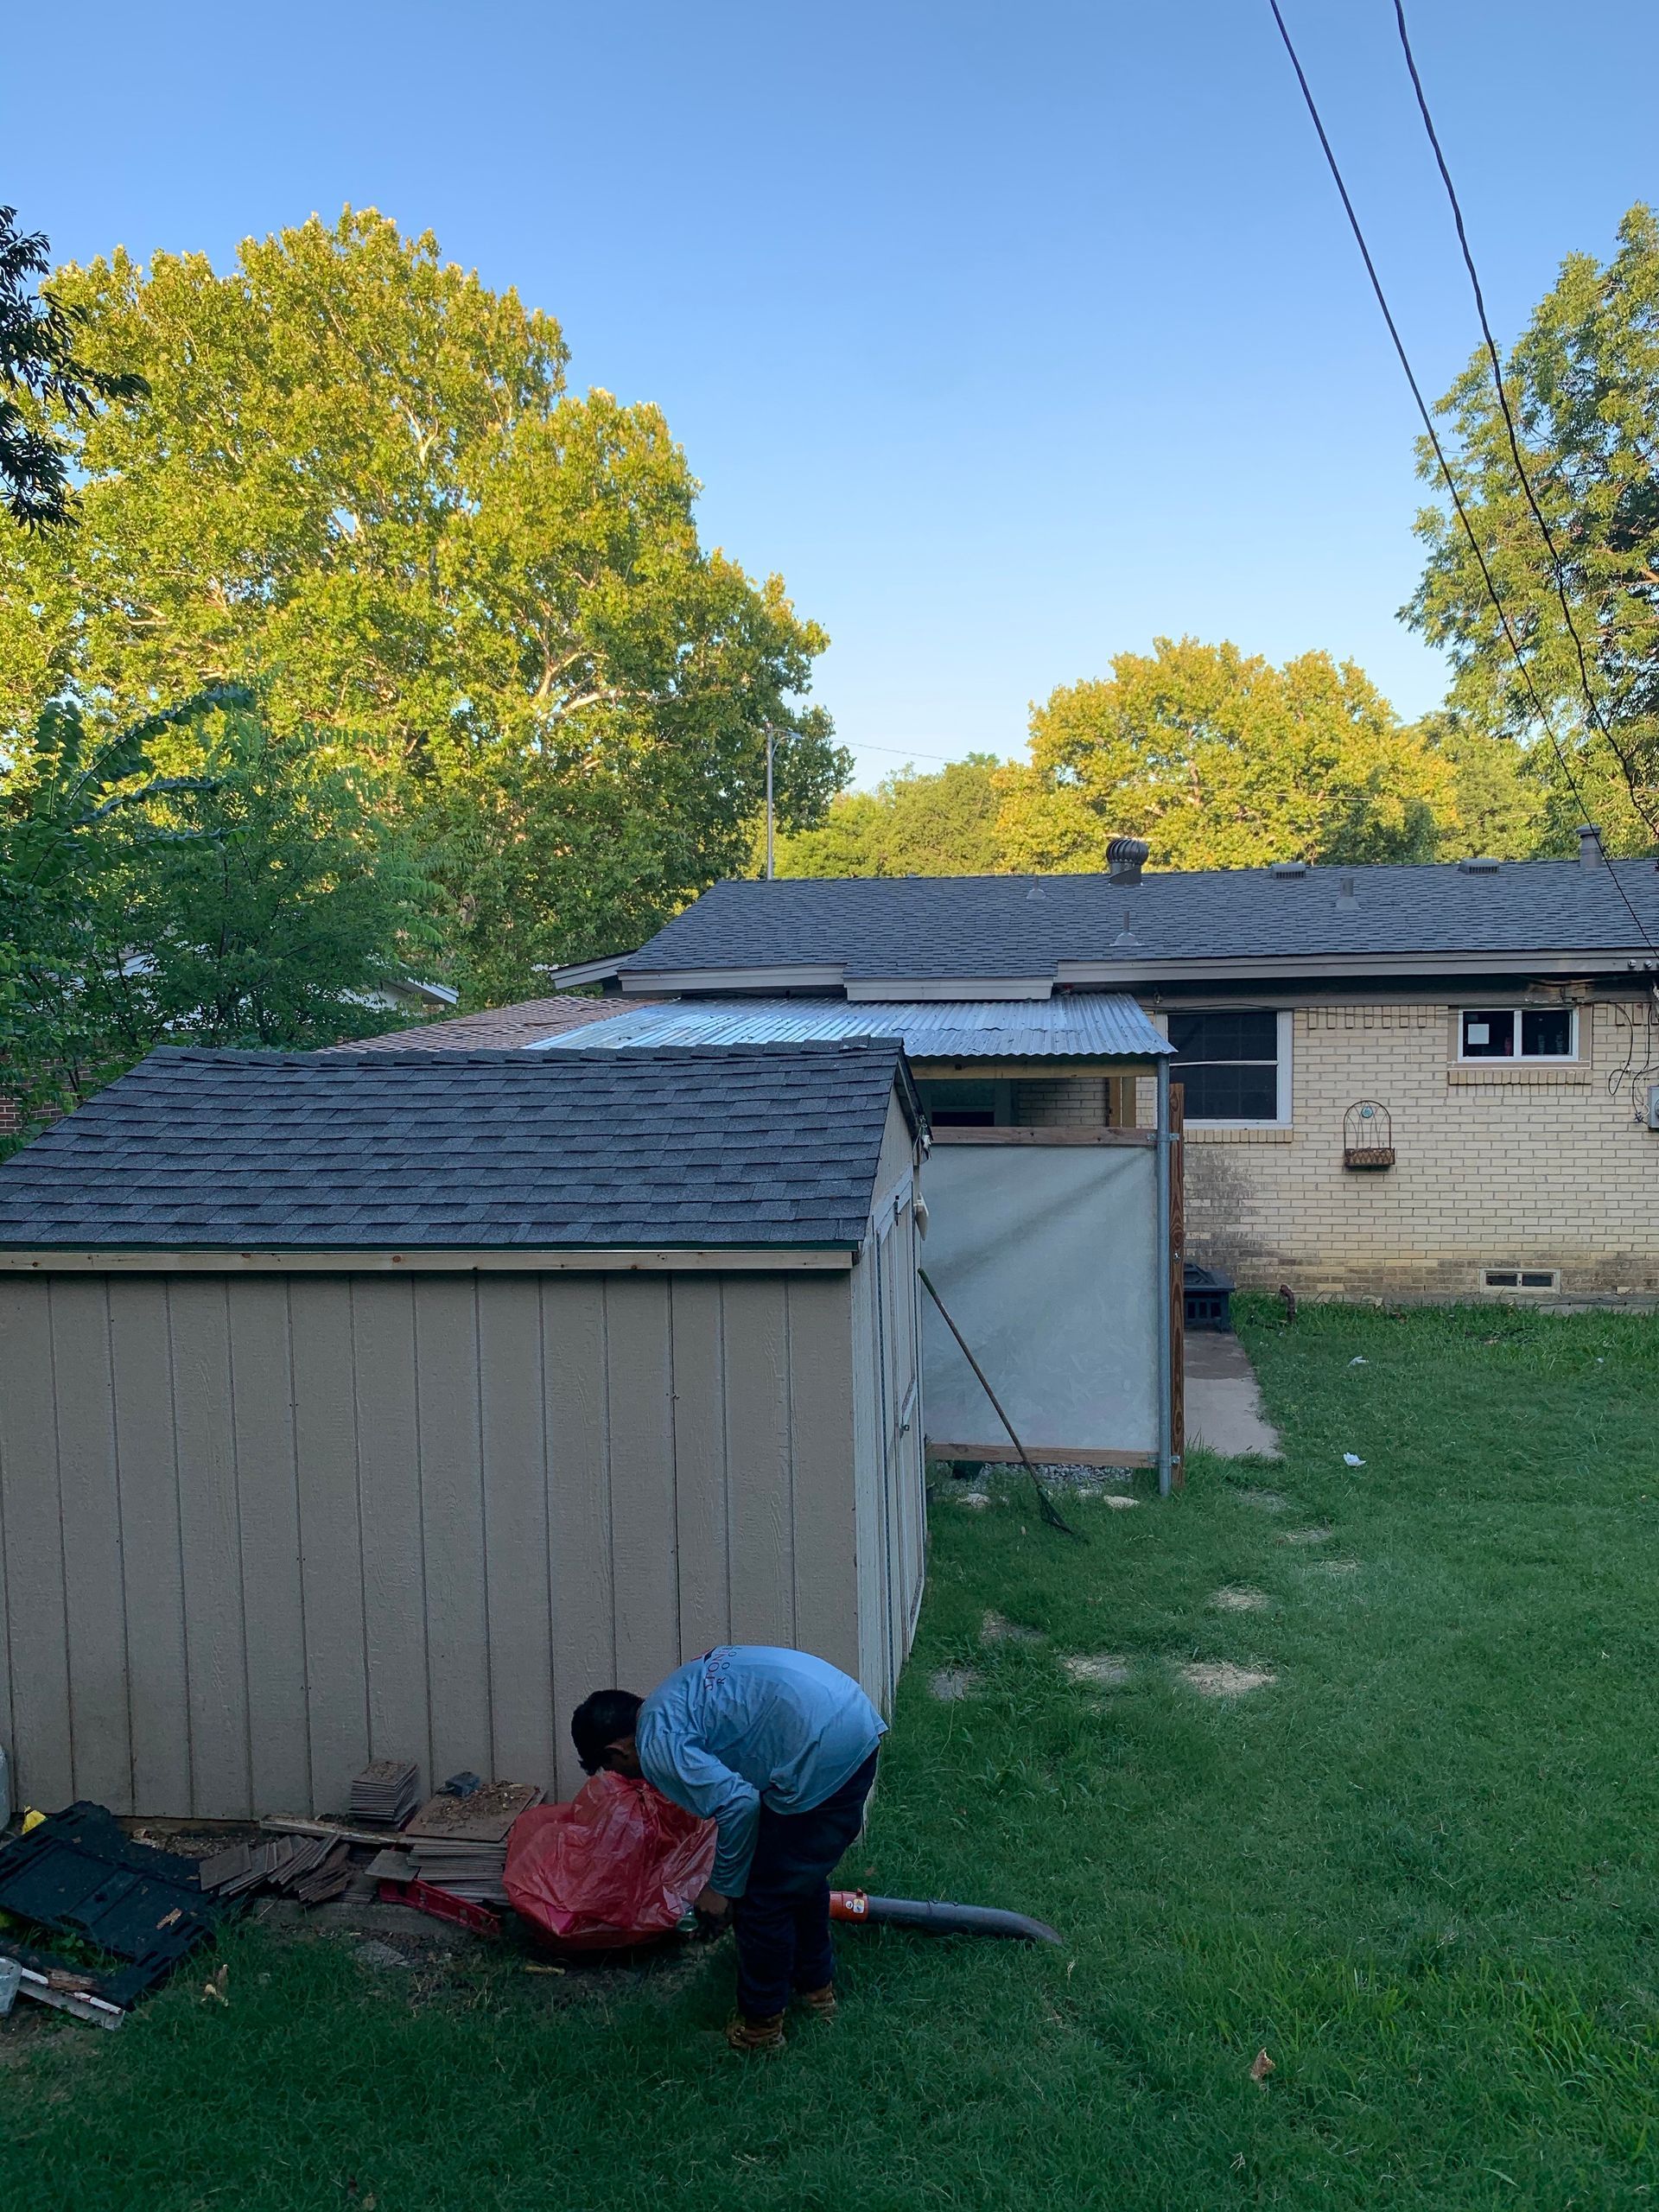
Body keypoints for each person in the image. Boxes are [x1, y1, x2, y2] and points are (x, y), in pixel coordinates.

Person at [570, 1646, 885, 2051]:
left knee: (761, 1898)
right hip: (849, 1715)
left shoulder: (656, 1742)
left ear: (618, 1751)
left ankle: (760, 2029)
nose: (625, 1777)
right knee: (795, 1876)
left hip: (823, 1747)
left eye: (613, 1769)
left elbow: (739, 1805)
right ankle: (815, 1992)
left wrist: (721, 1890)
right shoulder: (673, 1694)